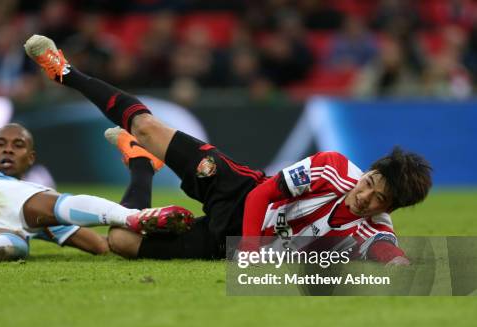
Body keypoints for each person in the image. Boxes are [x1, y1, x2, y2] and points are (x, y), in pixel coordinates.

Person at [23, 34, 432, 265]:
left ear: (389, 208)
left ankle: (141, 167)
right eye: (370, 183)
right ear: (368, 172)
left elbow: (390, 257)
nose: (365, 196)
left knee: (120, 242)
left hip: (223, 244)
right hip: (239, 193)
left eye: (379, 198)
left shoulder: (375, 229)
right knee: (147, 127)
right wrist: (251, 251)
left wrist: (402, 267)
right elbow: (264, 193)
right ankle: (66, 71)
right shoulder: (333, 167)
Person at [0, 123, 194, 262]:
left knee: (15, 246)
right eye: (0, 144)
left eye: (18, 145)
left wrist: (43, 217)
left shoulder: (31, 208)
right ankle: (134, 216)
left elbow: (101, 246)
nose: (8, 148)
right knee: (59, 203)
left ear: (30, 159)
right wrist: (43, 208)